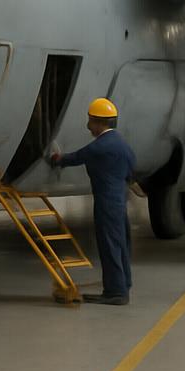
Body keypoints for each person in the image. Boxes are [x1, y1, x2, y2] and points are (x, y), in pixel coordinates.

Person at [50, 98, 137, 305]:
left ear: (98, 122)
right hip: (119, 201)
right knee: (121, 244)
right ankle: (123, 284)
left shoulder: (99, 147)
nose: (88, 125)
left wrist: (55, 159)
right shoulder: (123, 145)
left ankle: (115, 293)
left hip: (106, 203)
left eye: (90, 121)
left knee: (109, 245)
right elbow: (131, 171)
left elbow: (74, 157)